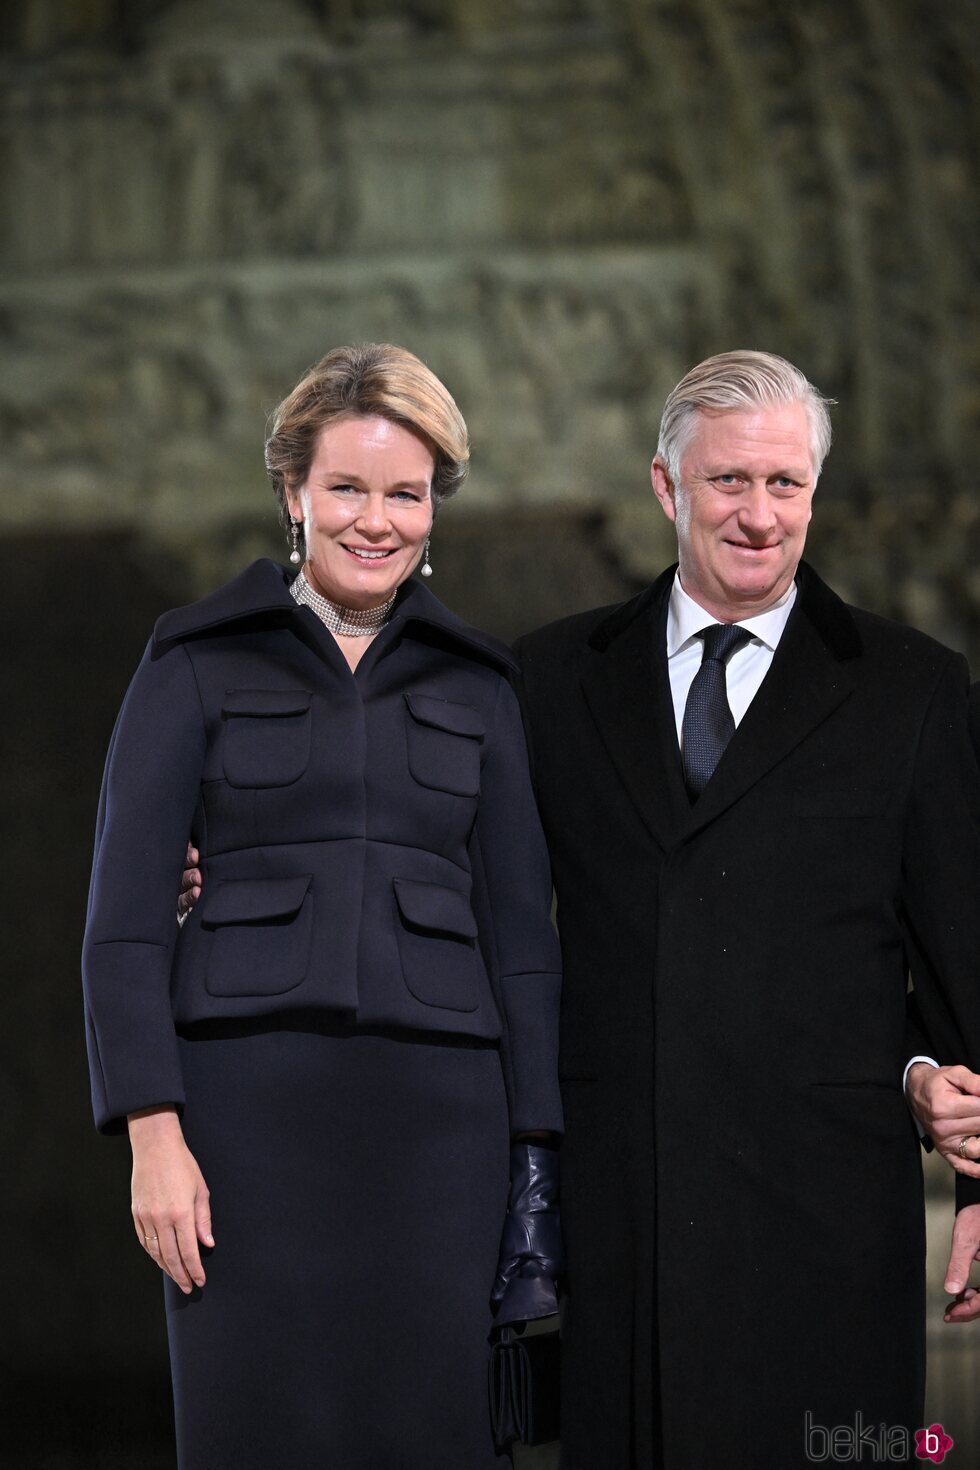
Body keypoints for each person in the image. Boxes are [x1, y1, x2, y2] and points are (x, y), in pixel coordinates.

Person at [81, 343, 563, 1470]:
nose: (375, 520)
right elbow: (124, 922)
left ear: (434, 510)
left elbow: (521, 944)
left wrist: (534, 1158)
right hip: (243, 1127)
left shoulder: (481, 686)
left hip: (446, 1135)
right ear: (293, 492)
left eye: (405, 494)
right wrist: (153, 1132)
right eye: (347, 487)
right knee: (258, 1434)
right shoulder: (191, 660)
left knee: (435, 1439)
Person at [512, 351, 980, 1468]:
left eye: (785, 485)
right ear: (667, 490)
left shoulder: (910, 688)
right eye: (728, 482)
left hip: (819, 1224)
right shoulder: (547, 680)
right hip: (621, 1217)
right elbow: (446, 877)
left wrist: (966, 1164)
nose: (758, 515)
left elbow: (961, 960)